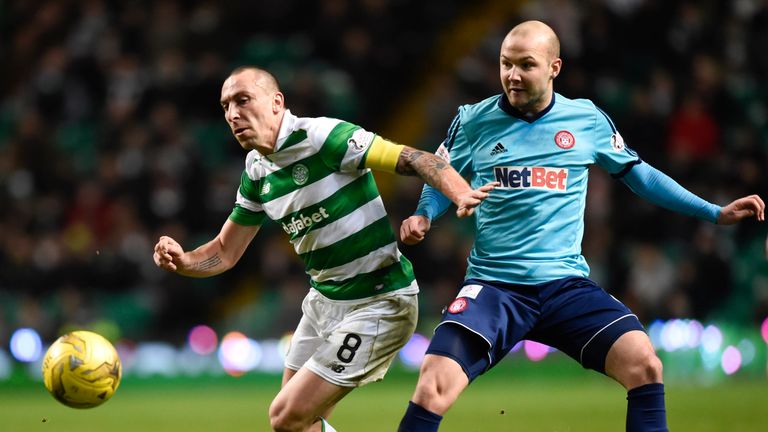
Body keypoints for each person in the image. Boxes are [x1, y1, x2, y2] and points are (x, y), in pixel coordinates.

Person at [397, 20, 765, 432]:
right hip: (495, 288)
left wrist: (713, 212)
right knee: (432, 386)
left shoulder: (586, 120)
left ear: (555, 67)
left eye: (526, 65)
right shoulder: (472, 120)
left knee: (644, 364)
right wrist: (424, 215)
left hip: (564, 287)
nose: (512, 75)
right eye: (505, 64)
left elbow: (640, 175)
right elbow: (440, 173)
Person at [152, 66, 494, 432]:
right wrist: (184, 261)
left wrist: (457, 191)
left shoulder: (323, 137)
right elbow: (226, 250)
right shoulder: (256, 170)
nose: (232, 114)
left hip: (380, 301)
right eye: (225, 106)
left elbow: (411, 157)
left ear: (276, 102)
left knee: (284, 415)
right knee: (295, 426)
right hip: (324, 304)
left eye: (242, 100)